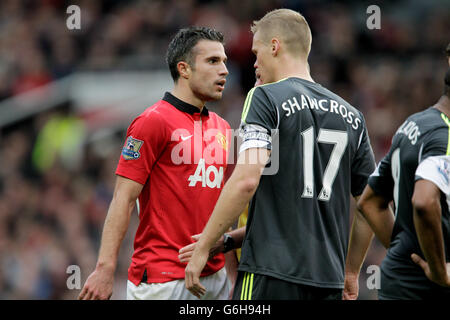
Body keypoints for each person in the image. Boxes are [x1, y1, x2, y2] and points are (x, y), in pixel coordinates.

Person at [184, 9, 376, 300]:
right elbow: (369, 204)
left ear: (274, 46)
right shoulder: (353, 116)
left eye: (256, 52)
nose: (255, 63)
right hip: (329, 280)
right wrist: (350, 272)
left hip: (270, 275)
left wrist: (203, 246)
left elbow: (247, 180)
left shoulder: (264, 97)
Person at [78, 26, 232, 300]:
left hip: (214, 277)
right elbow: (123, 198)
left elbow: (224, 199)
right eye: (213, 61)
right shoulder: (153, 121)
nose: (224, 70)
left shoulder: (222, 127)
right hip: (163, 278)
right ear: (184, 69)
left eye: (224, 61)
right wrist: (105, 268)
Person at [345, 51, 450, 299]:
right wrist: (438, 270)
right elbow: (424, 202)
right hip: (426, 289)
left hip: (397, 280)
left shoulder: (415, 124)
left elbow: (369, 201)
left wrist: (401, 247)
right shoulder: (443, 137)